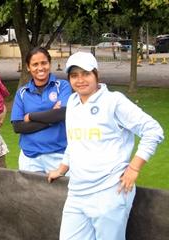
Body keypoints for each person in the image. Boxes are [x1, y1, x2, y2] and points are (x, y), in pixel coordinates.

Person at [48, 52, 164, 240]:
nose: (80, 80)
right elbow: (74, 141)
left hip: (110, 192)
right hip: (77, 193)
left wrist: (134, 168)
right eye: (74, 75)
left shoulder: (113, 101)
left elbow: (153, 130)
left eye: (86, 73)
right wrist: (62, 169)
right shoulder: (72, 102)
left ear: (96, 74)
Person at [10, 47, 72, 173]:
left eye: (44, 63)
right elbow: (18, 127)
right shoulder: (22, 93)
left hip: (58, 156)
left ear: (50, 63)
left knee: (60, 193)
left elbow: (62, 114)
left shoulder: (62, 86)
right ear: (28, 67)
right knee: (30, 193)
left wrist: (31, 116)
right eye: (35, 64)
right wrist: (51, 117)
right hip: (30, 158)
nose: (40, 68)